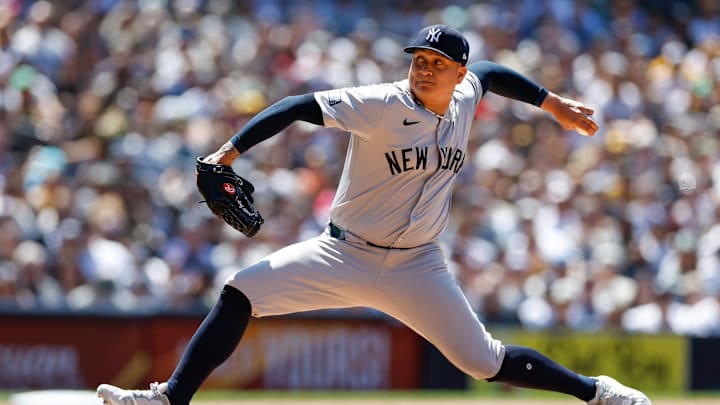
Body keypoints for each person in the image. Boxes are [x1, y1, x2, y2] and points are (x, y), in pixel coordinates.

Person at [97, 25, 650, 405]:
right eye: (418, 61)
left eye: (437, 64)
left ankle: (596, 392)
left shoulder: (463, 96)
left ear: (457, 75)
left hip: (418, 267)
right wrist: (229, 152)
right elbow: (297, 106)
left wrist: (551, 103)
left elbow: (491, 69)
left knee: (485, 361)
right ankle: (170, 397)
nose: (424, 70)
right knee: (240, 291)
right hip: (342, 252)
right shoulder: (383, 103)